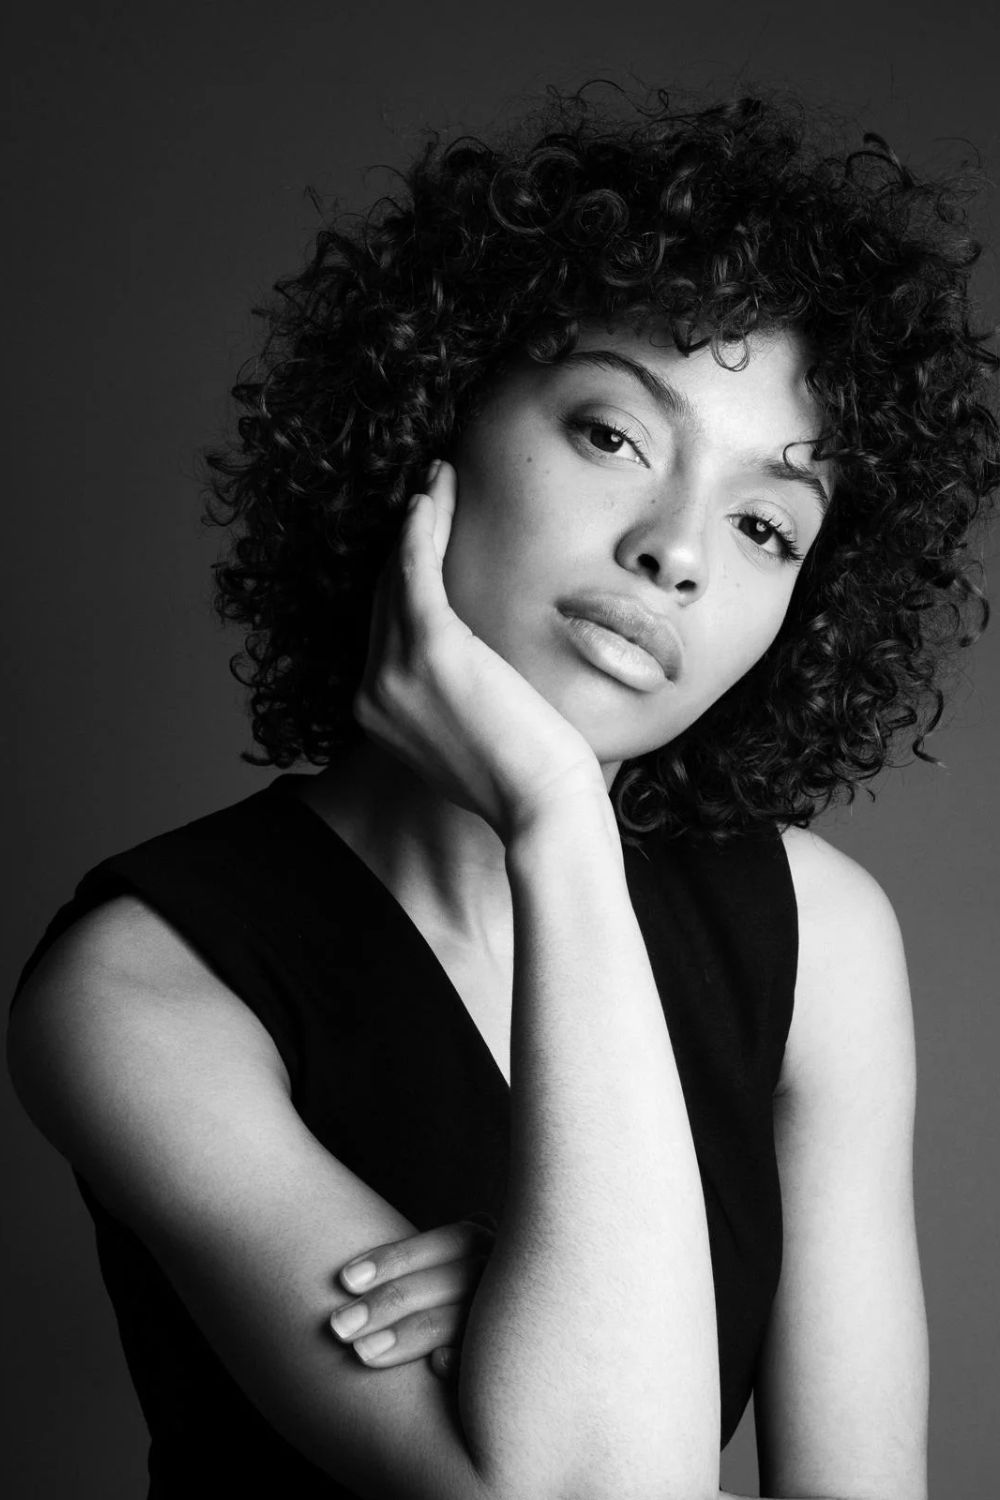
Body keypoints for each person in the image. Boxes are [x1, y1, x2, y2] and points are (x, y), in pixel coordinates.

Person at [7, 86, 998, 1500]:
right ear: (437, 419)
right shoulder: (138, 989)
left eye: (764, 523)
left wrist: (550, 1297)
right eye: (613, 435)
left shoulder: (818, 937)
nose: (676, 553)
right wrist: (554, 808)